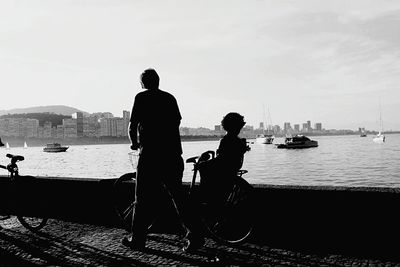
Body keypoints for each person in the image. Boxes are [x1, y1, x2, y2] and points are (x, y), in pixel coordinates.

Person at [122, 68, 204, 252]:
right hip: (173, 154)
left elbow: (132, 124)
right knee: (179, 196)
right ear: (158, 81)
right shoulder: (170, 98)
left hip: (150, 154)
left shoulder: (141, 97)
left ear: (143, 83)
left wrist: (134, 142)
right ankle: (195, 235)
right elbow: (177, 122)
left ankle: (138, 239)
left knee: (142, 198)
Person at [198, 112, 250, 202]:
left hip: (224, 174)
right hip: (230, 173)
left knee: (203, 169)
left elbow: (222, 160)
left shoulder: (226, 140)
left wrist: (203, 163)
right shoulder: (238, 141)